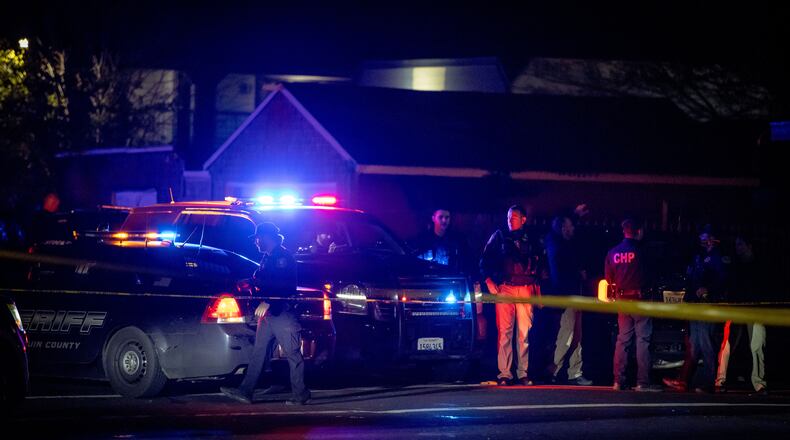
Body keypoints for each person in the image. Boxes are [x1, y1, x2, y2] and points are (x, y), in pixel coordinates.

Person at [221, 222, 310, 405]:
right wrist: (247, 283)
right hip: (268, 315)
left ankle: (300, 394)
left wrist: (268, 301)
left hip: (282, 313)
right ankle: (245, 391)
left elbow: (284, 286)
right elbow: (263, 279)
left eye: (257, 238)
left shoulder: (282, 258)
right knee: (259, 352)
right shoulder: (268, 258)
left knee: (293, 354)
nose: (256, 242)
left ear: (267, 238)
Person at [480, 205, 545, 386]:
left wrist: (537, 288)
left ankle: (523, 372)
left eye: (514, 217)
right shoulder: (499, 236)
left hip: (525, 288)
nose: (510, 220)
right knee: (504, 333)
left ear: (523, 219)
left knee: (523, 333)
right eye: (509, 216)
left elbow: (541, 264)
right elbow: (484, 261)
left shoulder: (532, 238)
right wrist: (489, 282)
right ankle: (504, 374)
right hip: (505, 288)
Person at [664, 225, 727, 393]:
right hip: (695, 305)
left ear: (713, 239)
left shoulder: (718, 258)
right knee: (694, 345)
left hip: (708, 305)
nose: (703, 243)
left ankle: (710, 382)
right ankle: (684, 381)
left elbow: (722, 280)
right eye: (701, 240)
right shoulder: (698, 257)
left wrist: (709, 290)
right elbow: (691, 279)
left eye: (706, 239)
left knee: (706, 344)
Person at [606, 218, 662, 392]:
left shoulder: (613, 252)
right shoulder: (642, 252)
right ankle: (642, 382)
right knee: (643, 340)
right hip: (640, 300)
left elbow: (609, 279)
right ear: (638, 231)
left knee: (623, 340)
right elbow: (651, 275)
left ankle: (618, 381)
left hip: (622, 301)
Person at [715, 234, 767, 394]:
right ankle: (720, 380)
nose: (738, 248)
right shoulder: (734, 264)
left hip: (755, 309)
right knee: (727, 343)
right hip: (736, 307)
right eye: (736, 245)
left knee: (757, 345)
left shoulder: (760, 264)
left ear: (749, 246)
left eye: (741, 245)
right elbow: (727, 283)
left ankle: (759, 383)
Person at [544, 215, 592, 385]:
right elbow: (560, 271)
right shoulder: (555, 244)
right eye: (571, 225)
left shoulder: (569, 245)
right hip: (566, 296)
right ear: (563, 227)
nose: (574, 228)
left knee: (577, 336)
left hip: (575, 295)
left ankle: (575, 373)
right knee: (567, 336)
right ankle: (553, 370)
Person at [412, 208, 471, 274]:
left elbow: (467, 260)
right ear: (433, 218)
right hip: (429, 278)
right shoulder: (422, 239)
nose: (444, 220)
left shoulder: (457, 239)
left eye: (447, 217)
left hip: (450, 279)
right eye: (441, 217)